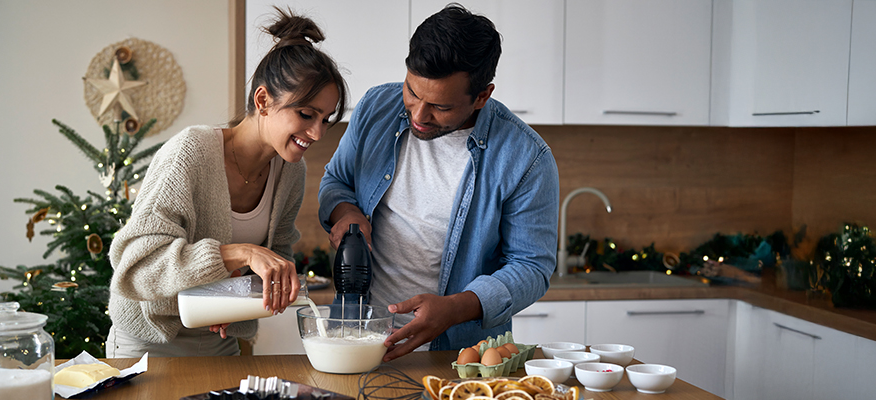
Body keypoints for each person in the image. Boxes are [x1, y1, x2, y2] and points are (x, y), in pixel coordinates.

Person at [318, 3, 559, 362]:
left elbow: (532, 266)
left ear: (482, 96)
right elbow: (336, 180)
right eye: (412, 92)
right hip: (356, 335)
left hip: (458, 352)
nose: (418, 115)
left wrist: (455, 308)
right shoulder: (375, 107)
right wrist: (346, 212)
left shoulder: (526, 158)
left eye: (440, 107)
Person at [106, 7, 347, 358]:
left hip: (221, 340)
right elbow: (137, 269)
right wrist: (239, 253)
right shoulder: (191, 153)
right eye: (306, 115)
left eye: (326, 119)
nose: (316, 132)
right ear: (262, 100)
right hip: (149, 343)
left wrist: (237, 299)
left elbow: (275, 254)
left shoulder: (291, 172)